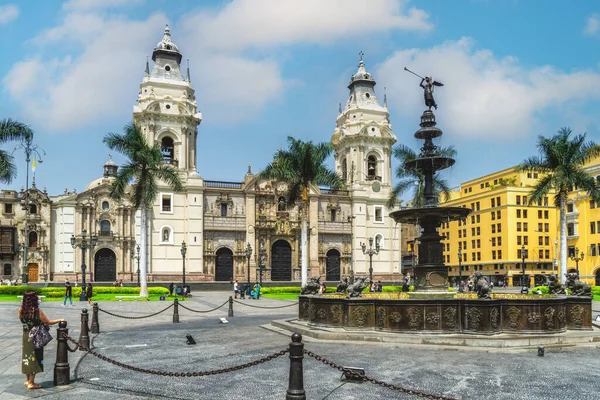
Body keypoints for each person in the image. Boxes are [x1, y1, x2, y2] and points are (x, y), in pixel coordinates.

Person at [19, 291, 66, 390]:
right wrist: (60, 319)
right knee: (35, 358)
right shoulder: (37, 311)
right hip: (35, 336)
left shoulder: (21, 310)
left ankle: (27, 381)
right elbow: (47, 322)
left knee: (27, 357)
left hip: (26, 335)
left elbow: (22, 321)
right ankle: (32, 382)